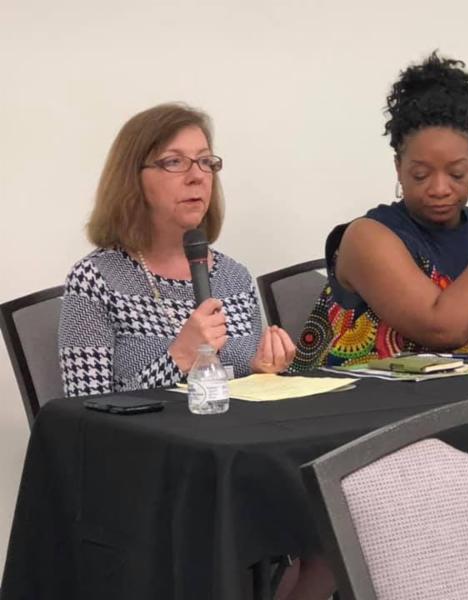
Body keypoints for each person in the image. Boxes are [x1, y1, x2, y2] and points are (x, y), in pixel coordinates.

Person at [57, 103, 332, 600]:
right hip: (149, 481)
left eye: (206, 161)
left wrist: (264, 366)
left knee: (337, 508)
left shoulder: (231, 275)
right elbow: (84, 417)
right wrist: (178, 357)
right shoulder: (95, 278)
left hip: (233, 466)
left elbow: (241, 385)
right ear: (133, 178)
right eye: (174, 162)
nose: (197, 176)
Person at [291, 52, 468, 371]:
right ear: (399, 167)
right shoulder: (367, 238)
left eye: (456, 173)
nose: (439, 188)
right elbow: (444, 329)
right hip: (368, 401)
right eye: (421, 174)